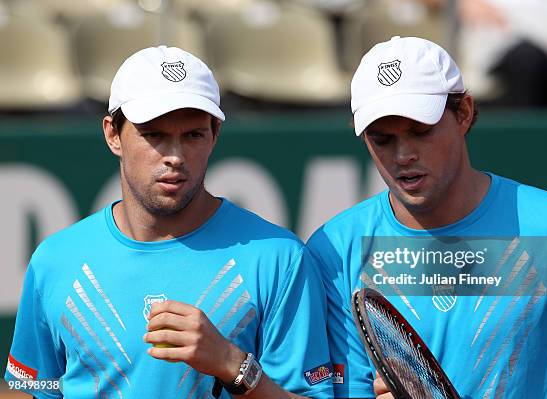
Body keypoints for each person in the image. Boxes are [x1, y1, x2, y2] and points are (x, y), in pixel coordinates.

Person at [4, 46, 334, 399]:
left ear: (215, 135)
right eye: (154, 135)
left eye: (193, 135)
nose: (175, 156)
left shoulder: (280, 258)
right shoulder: (54, 260)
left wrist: (232, 365)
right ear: (113, 135)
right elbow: (34, 390)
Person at [306, 36, 547, 398]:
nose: (403, 155)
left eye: (420, 132)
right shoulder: (335, 251)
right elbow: (337, 388)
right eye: (382, 139)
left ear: (464, 113)